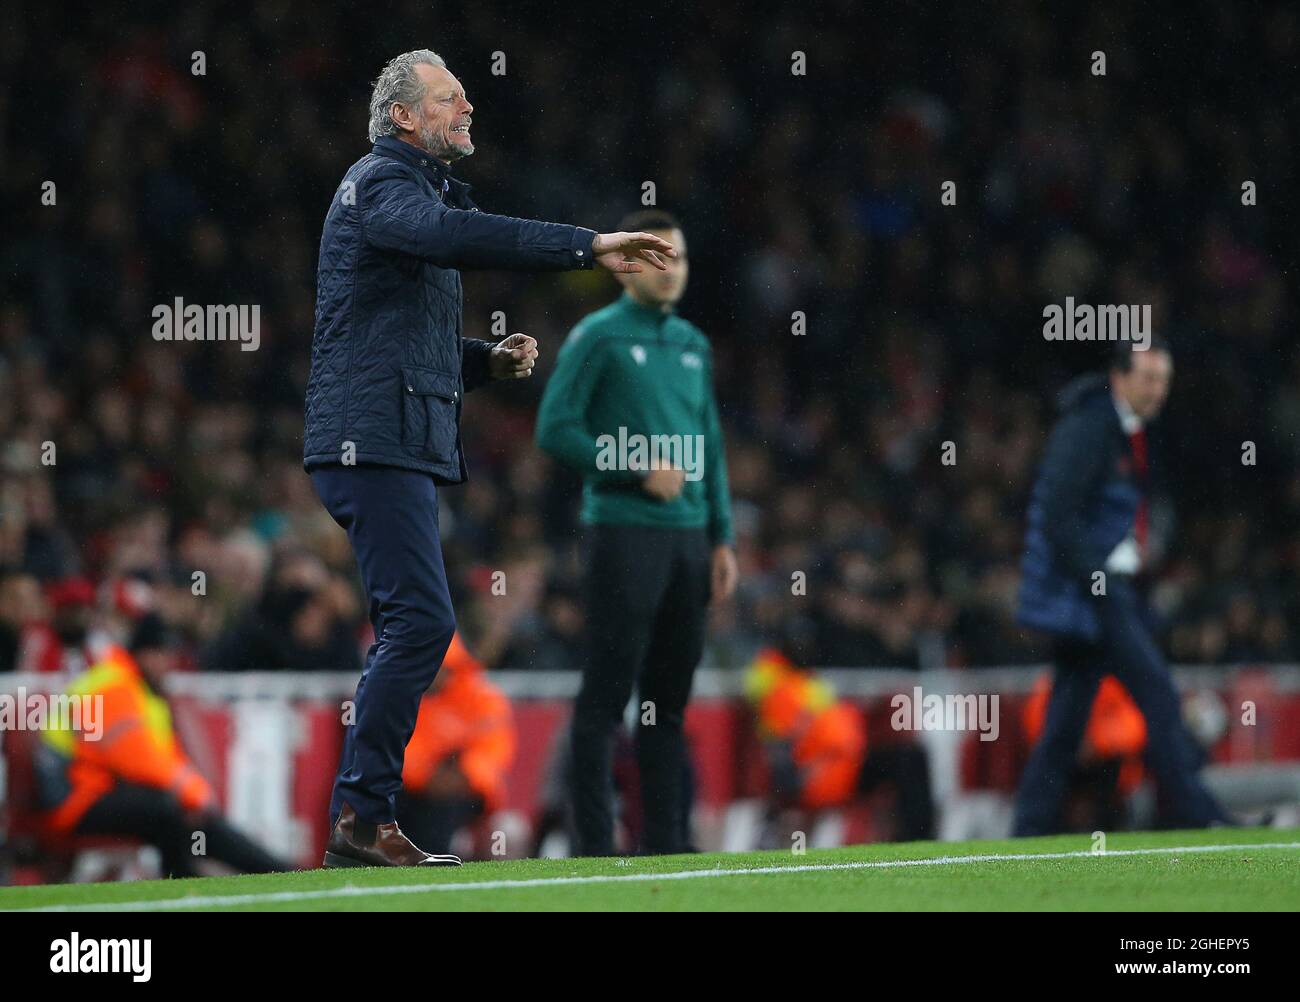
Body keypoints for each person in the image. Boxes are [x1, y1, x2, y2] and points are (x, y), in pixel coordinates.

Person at [304, 49, 677, 868]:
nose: (468, 109)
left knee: (416, 622)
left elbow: (385, 335)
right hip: (372, 442)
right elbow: (447, 236)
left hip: (390, 435)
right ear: (403, 115)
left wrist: (479, 362)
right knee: (422, 623)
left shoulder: (409, 193)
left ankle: (364, 819)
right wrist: (587, 245)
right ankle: (361, 819)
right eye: (450, 99)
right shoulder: (381, 184)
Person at [535, 209, 737, 855]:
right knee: (606, 697)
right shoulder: (598, 336)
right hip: (622, 532)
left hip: (687, 540)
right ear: (626, 264)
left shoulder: (693, 345)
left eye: (678, 258)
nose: (671, 270)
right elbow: (555, 429)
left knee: (668, 704)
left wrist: (722, 537)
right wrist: (631, 466)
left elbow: (711, 445)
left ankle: (667, 848)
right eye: (657, 256)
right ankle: (594, 851)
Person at [1013, 340, 1231, 835]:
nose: (1158, 391)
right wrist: (1100, 583)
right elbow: (1058, 516)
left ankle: (1026, 830)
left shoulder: (1121, 430)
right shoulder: (1090, 428)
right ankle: (1199, 815)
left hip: (1095, 600)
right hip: (1092, 600)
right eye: (1149, 379)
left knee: (1064, 729)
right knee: (1157, 693)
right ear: (1119, 377)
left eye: (1164, 381)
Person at [36, 613, 290, 877]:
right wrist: (193, 793)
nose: (168, 663)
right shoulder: (113, 687)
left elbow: (162, 759)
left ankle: (279, 871)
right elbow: (137, 761)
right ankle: (183, 883)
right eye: (162, 654)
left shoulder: (141, 692)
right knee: (167, 810)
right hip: (74, 799)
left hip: (98, 788)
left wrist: (192, 798)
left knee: (192, 817)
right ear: (143, 653)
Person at [744, 640, 935, 843]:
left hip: (848, 761)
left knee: (910, 755)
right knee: (905, 760)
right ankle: (917, 835)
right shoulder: (779, 690)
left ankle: (917, 834)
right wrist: (804, 772)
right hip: (827, 769)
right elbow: (780, 749)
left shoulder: (807, 683)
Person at [397, 632, 515, 856]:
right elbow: (399, 749)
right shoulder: (407, 697)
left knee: (442, 813)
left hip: (469, 791)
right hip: (418, 788)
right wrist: (427, 776)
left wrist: (464, 775)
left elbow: (493, 750)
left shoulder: (482, 697)